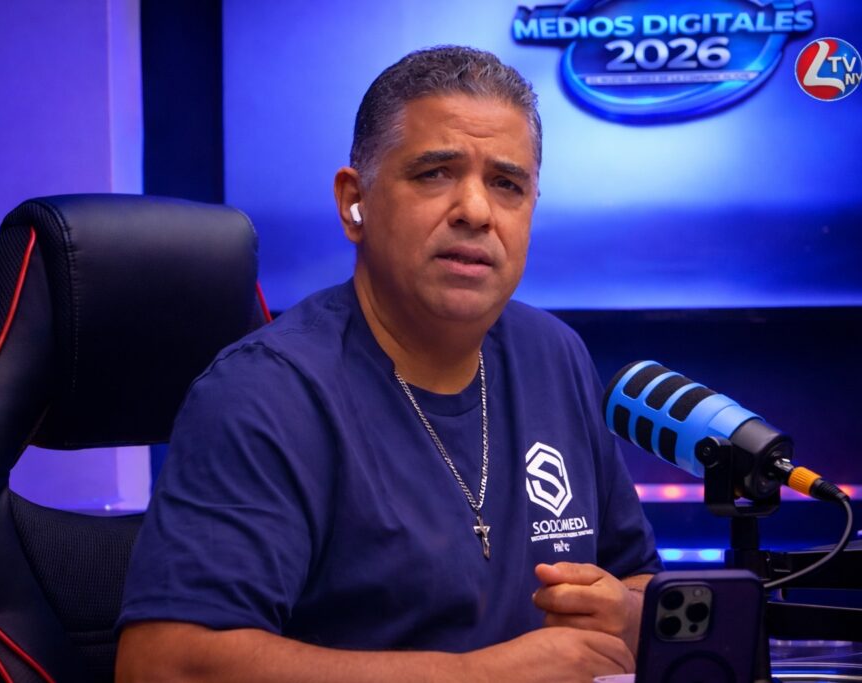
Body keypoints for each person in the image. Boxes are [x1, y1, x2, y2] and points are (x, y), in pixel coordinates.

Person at [116, 45, 660, 682]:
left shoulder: (553, 354)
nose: (476, 211)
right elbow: (164, 665)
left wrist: (632, 615)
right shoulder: (266, 392)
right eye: (435, 174)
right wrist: (480, 678)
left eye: (507, 185)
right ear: (356, 202)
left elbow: (634, 576)